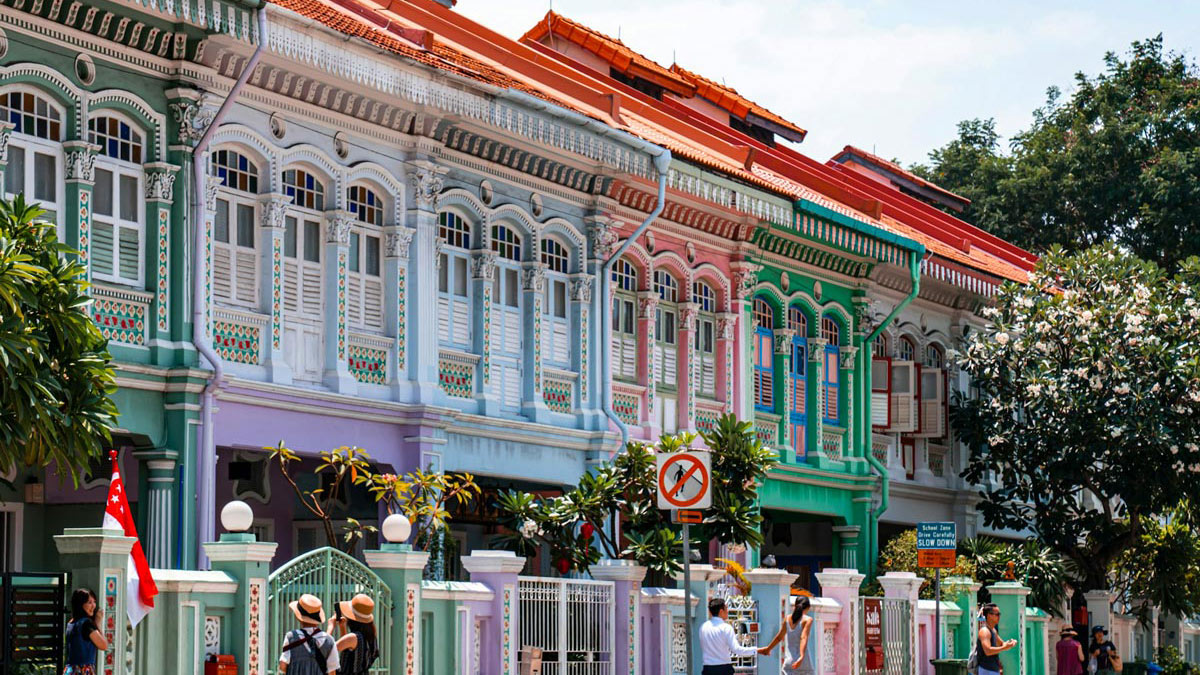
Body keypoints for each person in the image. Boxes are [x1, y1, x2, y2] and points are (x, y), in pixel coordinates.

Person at [699, 597, 762, 675]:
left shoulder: (703, 627)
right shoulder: (726, 628)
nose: (727, 611)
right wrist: (757, 650)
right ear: (721, 611)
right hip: (723, 669)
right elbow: (736, 649)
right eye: (726, 609)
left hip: (708, 669)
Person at [279, 594, 339, 675]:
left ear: (298, 617)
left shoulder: (291, 637)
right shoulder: (329, 641)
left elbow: (282, 666)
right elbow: (332, 671)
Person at [760, 596, 816, 674]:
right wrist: (801, 656)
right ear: (808, 607)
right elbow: (803, 637)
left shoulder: (787, 619)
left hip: (789, 663)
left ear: (795, 605)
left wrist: (768, 649)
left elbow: (779, 637)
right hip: (803, 664)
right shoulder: (807, 620)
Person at [330, 594, 379, 675]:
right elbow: (348, 650)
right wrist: (342, 628)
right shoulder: (371, 637)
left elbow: (326, 650)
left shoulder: (353, 637)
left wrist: (331, 626)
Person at [64, 588, 109, 675]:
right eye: (89, 602)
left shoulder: (71, 623)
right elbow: (104, 645)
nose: (94, 605)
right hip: (83, 671)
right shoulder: (86, 624)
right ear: (80, 605)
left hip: (69, 670)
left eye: (94, 602)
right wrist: (98, 623)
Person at [977, 603, 1018, 675]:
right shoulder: (985, 631)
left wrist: (1010, 643)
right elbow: (988, 651)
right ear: (989, 615)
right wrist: (1004, 647)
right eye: (997, 614)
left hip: (993, 670)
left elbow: (1002, 643)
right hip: (986, 670)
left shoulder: (993, 630)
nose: (999, 617)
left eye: (999, 614)